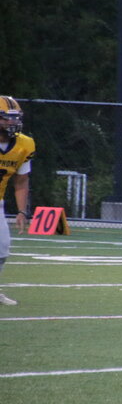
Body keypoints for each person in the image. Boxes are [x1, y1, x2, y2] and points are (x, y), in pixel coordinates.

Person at [0, 97, 34, 307]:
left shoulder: (25, 144)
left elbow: (21, 181)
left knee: (2, 249)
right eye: (6, 119)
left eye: (15, 118)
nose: (12, 123)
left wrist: (22, 211)